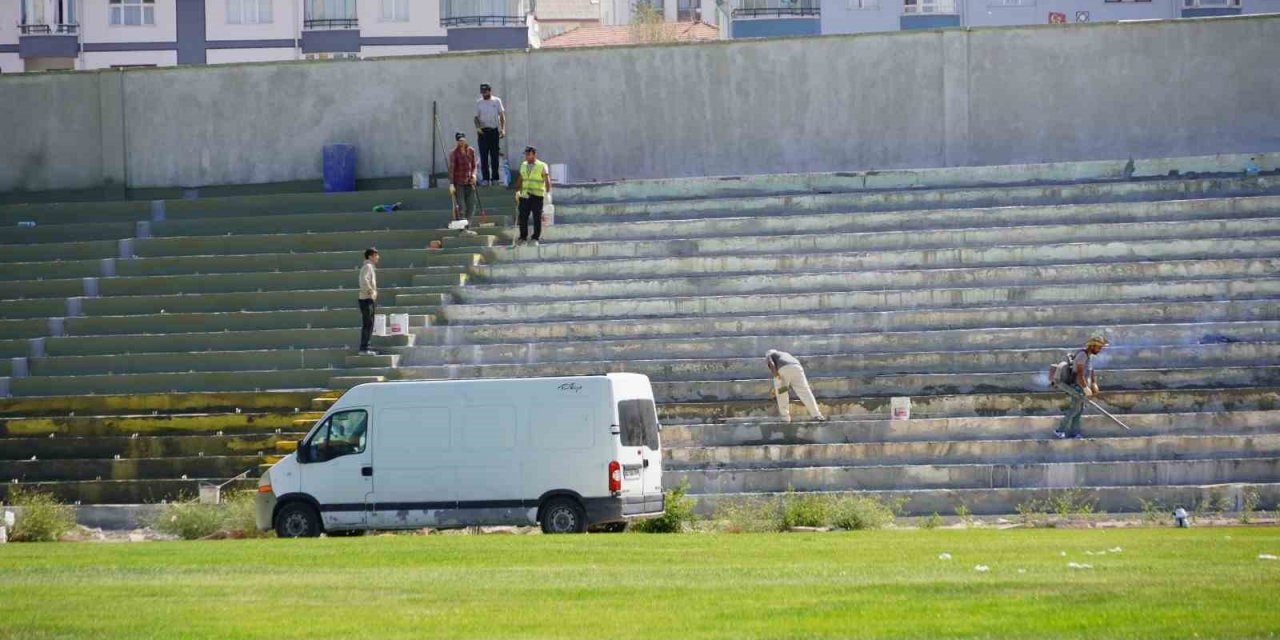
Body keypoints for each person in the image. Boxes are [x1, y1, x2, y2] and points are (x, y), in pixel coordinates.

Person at [1053, 334, 1108, 439]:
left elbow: (1091, 371)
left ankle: (1075, 433)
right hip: (1077, 387)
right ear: (1092, 346)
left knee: (1079, 411)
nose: (1100, 350)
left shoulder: (1088, 356)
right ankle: (1059, 430)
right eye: (1099, 347)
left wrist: (1093, 383)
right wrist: (1084, 387)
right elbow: (1079, 374)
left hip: (1081, 387)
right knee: (1074, 410)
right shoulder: (1082, 355)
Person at [766, 349, 827, 423]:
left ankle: (785, 418)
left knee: (782, 393)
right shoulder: (785, 354)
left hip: (784, 369)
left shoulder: (770, 355)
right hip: (797, 367)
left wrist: (777, 377)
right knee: (805, 392)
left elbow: (771, 364)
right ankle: (817, 415)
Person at [514, 146, 551, 246]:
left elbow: (547, 180)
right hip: (525, 195)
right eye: (525, 154)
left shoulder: (542, 165)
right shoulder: (523, 165)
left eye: (528, 154)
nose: (526, 157)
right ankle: (523, 237)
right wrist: (517, 190)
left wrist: (547, 193)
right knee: (523, 217)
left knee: (536, 217)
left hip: (537, 196)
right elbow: (521, 178)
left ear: (534, 154)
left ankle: (535, 238)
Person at [474, 83, 505, 186]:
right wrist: (478, 128)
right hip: (483, 132)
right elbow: (476, 118)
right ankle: (486, 179)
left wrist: (503, 129)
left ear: (490, 90)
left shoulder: (496, 101)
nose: (484, 93)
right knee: (484, 156)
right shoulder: (479, 103)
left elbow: (501, 116)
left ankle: (495, 179)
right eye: (482, 91)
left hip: (494, 131)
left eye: (485, 91)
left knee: (494, 156)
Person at [449, 132, 479, 227]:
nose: (461, 142)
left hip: (470, 182)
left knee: (471, 205)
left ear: (465, 140)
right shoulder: (454, 153)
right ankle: (462, 226)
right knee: (461, 206)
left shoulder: (471, 151)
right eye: (459, 141)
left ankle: (468, 226)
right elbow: (452, 169)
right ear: (457, 141)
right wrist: (451, 184)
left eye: (462, 140)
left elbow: (474, 166)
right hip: (459, 183)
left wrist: (474, 175)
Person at [357, 248, 379, 356]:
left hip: (367, 299)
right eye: (376, 255)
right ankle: (364, 348)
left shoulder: (369, 267)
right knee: (368, 323)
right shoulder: (368, 266)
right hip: (366, 299)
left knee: (370, 323)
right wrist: (371, 292)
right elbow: (363, 280)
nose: (378, 257)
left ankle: (367, 346)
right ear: (370, 256)